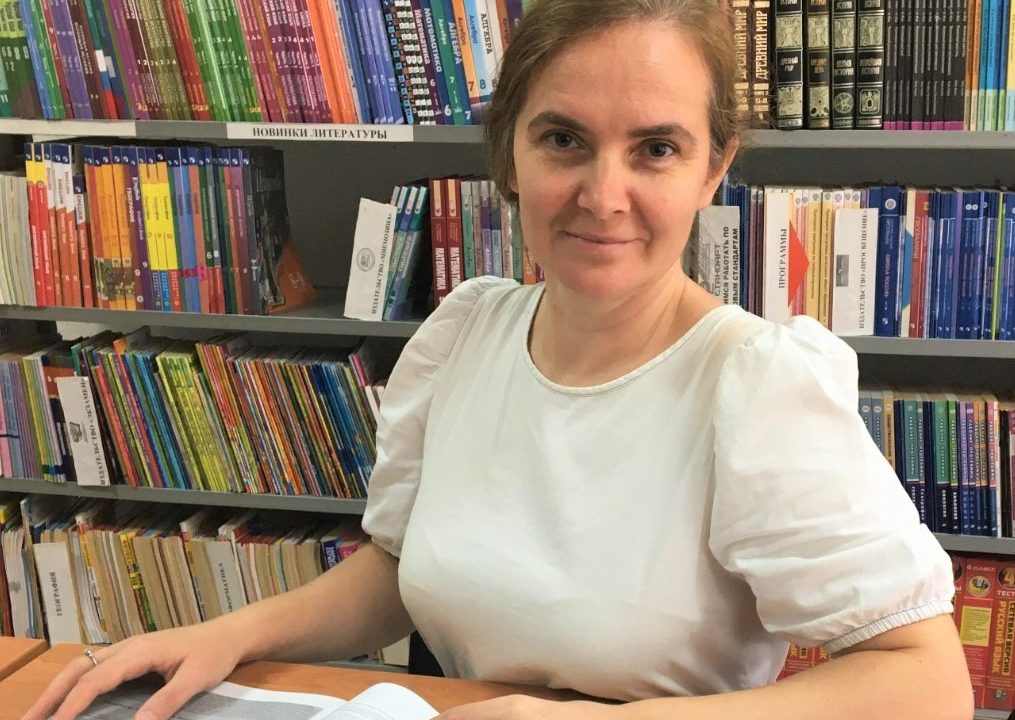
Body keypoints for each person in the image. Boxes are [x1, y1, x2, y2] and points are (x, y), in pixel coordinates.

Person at [26, 1, 972, 719]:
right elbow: (400, 569)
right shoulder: (466, 334)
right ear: (509, 156)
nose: (602, 194)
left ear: (712, 170)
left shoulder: (755, 383)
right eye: (563, 139)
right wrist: (227, 635)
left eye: (655, 149)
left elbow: (925, 683)